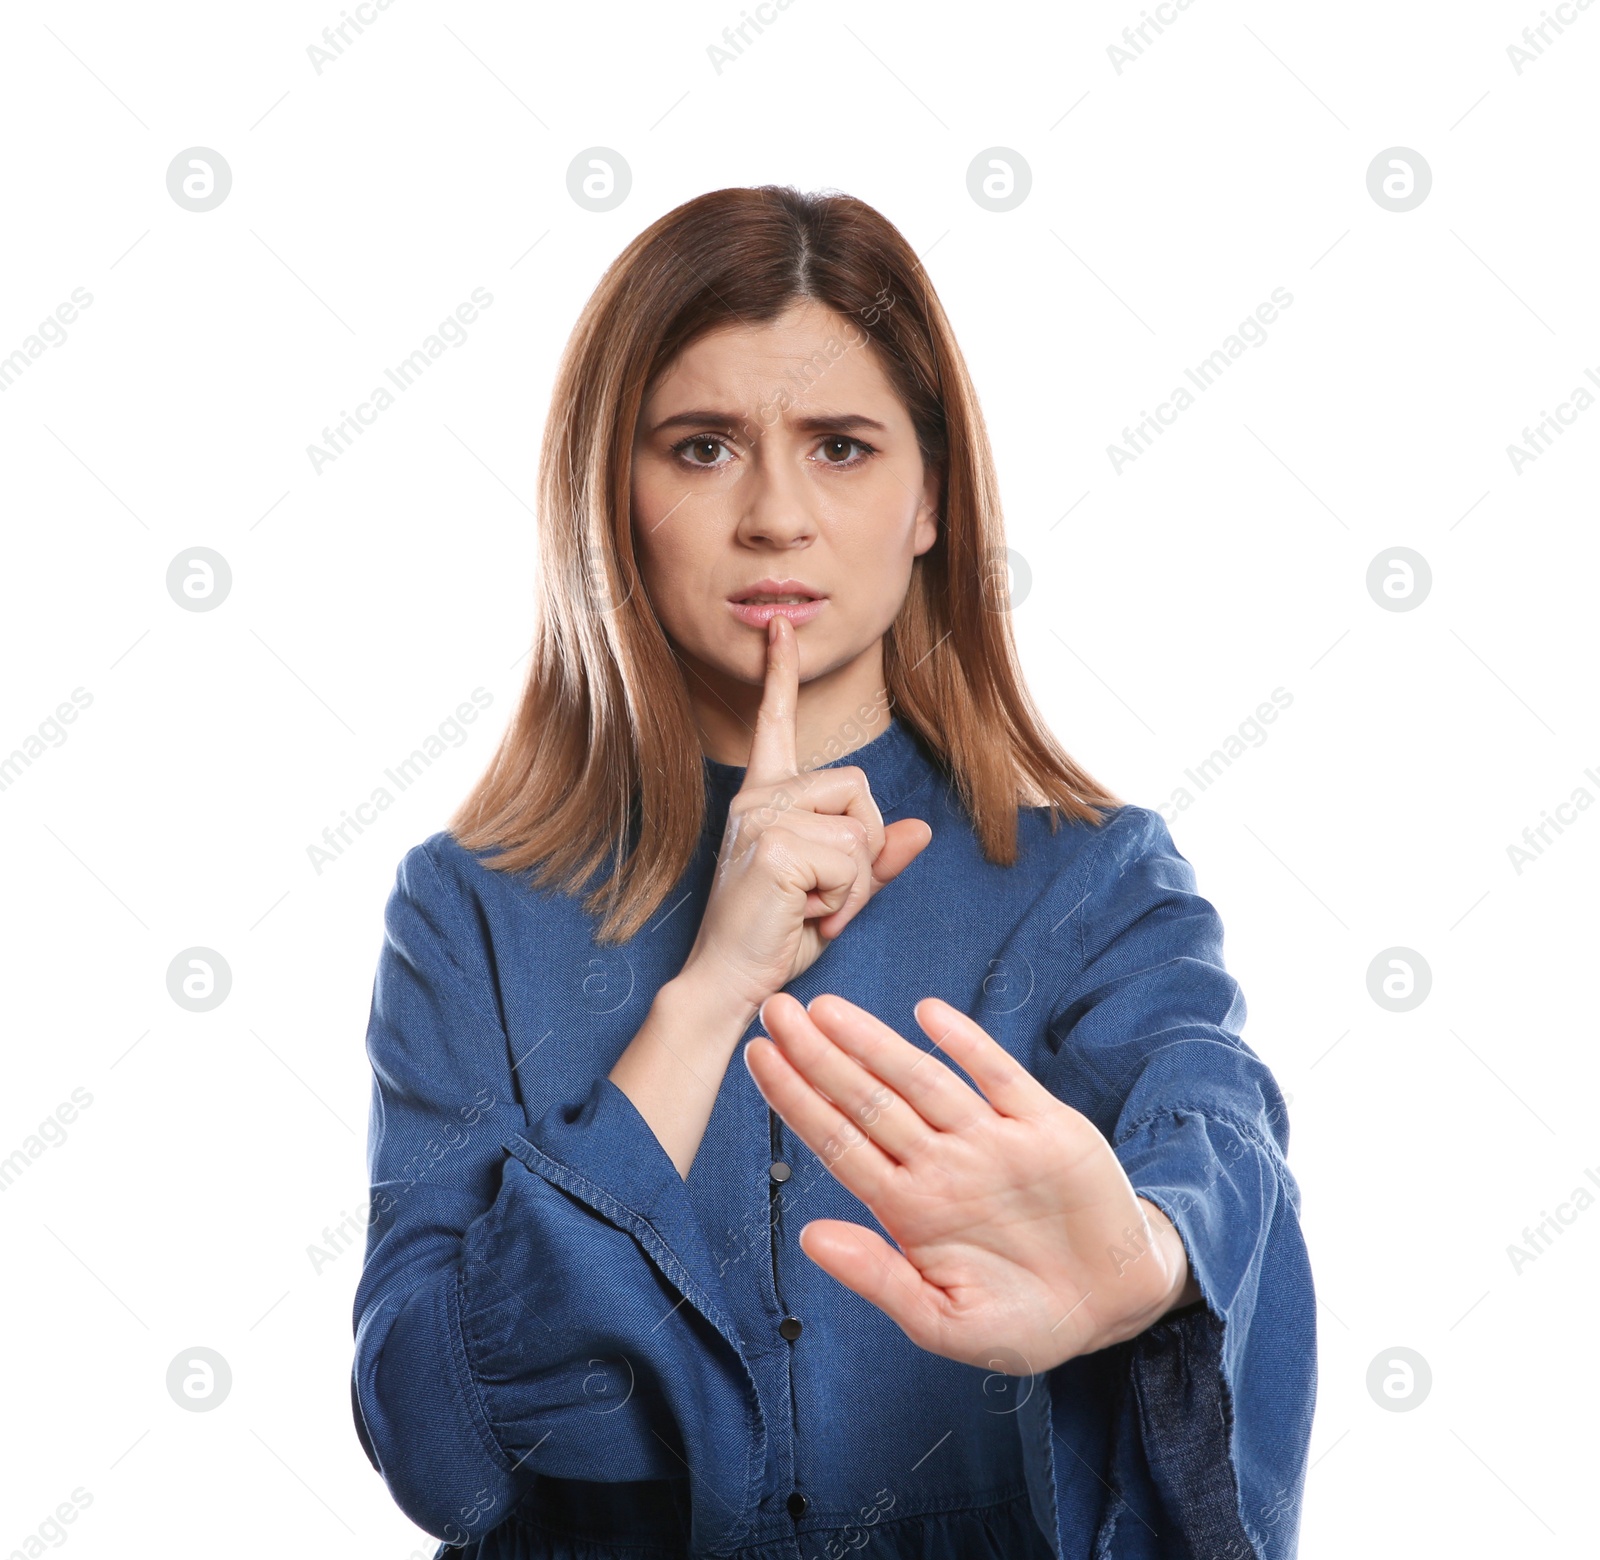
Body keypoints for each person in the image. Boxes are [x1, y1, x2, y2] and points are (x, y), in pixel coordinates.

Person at [349, 184, 1316, 1560]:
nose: (775, 515)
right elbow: (435, 1448)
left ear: (932, 499)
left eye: (843, 447)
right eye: (701, 448)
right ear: (612, 499)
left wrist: (1144, 1265)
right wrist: (709, 993)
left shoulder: (1099, 884)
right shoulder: (468, 909)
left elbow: (1215, 1139)